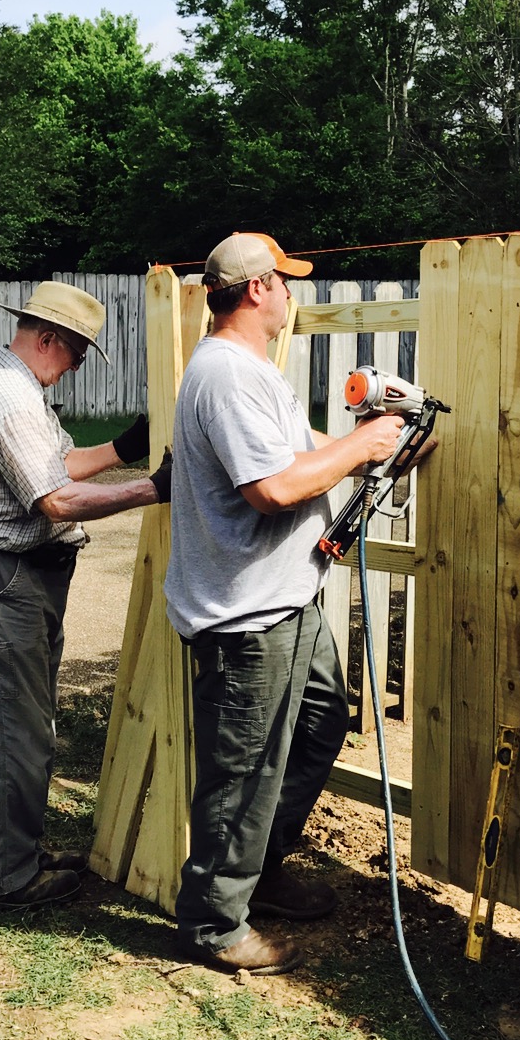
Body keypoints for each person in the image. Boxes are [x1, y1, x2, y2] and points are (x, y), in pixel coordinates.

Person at [165, 233, 412, 974]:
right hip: (244, 615)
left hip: (286, 598)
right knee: (242, 766)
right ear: (255, 289)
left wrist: (390, 441)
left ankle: (258, 868)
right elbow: (271, 488)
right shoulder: (224, 377)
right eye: (283, 282)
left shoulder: (256, 373)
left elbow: (310, 449)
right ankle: (213, 922)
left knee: (317, 726)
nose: (290, 294)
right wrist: (362, 447)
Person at [0, 280, 171, 913]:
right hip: (2, 576)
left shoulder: (18, 388)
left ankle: (17, 855)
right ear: (47, 339)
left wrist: (125, 447)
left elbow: (60, 465)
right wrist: (152, 488)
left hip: (17, 575)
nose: (71, 369)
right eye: (73, 355)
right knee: (6, 732)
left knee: (24, 727)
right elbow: (56, 501)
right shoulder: (10, 398)